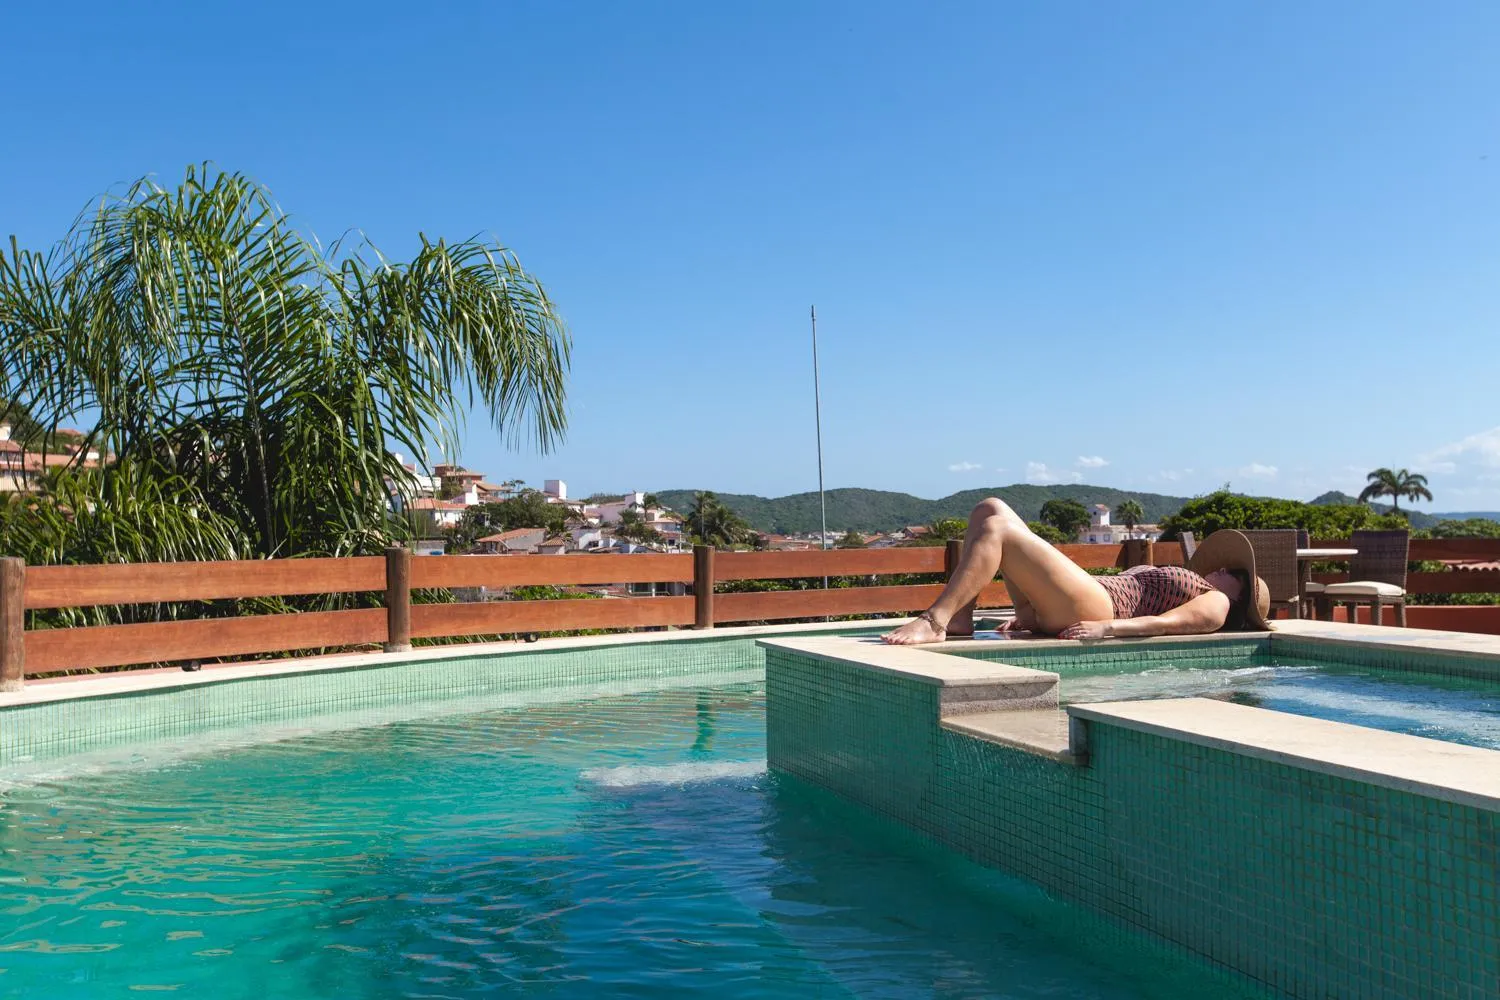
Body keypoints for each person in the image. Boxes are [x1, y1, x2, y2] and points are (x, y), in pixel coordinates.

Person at [881, 499, 1271, 644]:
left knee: (998, 528)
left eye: (1235, 574)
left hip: (1101, 608)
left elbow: (1172, 624)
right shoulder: (1207, 587)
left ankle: (936, 620)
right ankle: (960, 618)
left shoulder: (1217, 602)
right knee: (989, 508)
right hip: (1083, 598)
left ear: (1238, 596)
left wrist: (1107, 629)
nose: (1222, 569)